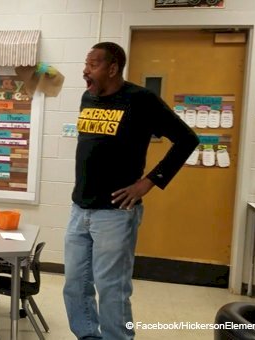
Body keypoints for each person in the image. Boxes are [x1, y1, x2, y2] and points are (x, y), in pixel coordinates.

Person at [63, 42, 199, 340]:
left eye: (93, 64)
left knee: (111, 288)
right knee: (74, 284)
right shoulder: (89, 97)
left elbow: (187, 139)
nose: (86, 70)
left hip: (115, 214)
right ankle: (88, 336)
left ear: (113, 69)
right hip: (79, 209)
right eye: (86, 64)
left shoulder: (141, 100)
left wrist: (149, 181)